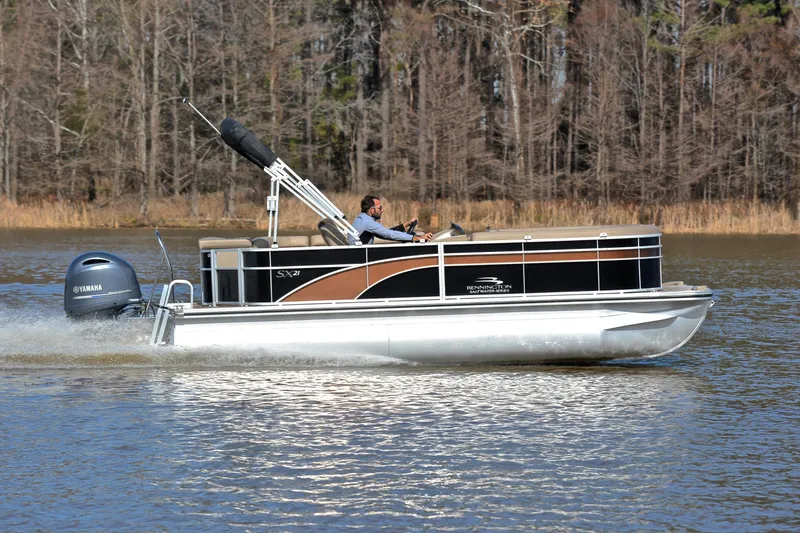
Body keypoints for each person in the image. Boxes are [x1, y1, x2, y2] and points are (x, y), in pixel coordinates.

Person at [349, 194, 433, 245]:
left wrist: (406, 225)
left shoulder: (363, 219)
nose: (382, 210)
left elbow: (384, 232)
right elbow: (389, 234)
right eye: (379, 208)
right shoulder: (367, 223)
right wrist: (417, 238)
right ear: (371, 210)